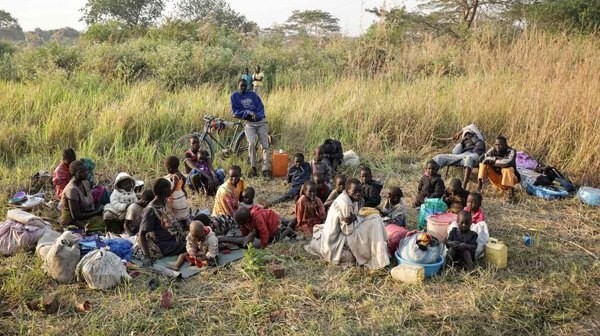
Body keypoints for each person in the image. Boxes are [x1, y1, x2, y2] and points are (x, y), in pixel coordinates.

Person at [306, 178, 389, 270]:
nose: (358, 194)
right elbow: (348, 230)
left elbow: (355, 217)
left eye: (360, 191)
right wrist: (358, 219)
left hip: (345, 231)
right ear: (348, 191)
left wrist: (356, 218)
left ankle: (382, 248)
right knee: (374, 224)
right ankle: (378, 259)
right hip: (338, 240)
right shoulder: (346, 204)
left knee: (376, 218)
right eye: (355, 191)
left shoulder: (352, 199)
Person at [138, 178, 187, 267]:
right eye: (169, 188)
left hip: (174, 238)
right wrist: (147, 256)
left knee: (193, 238)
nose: (171, 189)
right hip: (163, 245)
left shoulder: (164, 202)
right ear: (164, 191)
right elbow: (141, 234)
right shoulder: (151, 210)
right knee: (190, 245)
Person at [231, 78, 271, 178]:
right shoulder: (234, 97)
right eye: (241, 86)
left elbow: (261, 107)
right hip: (249, 123)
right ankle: (253, 168)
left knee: (265, 146)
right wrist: (247, 113)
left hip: (261, 122)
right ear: (238, 86)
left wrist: (257, 115)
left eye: (245, 86)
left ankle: (265, 169)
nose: (243, 88)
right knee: (251, 143)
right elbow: (235, 112)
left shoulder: (253, 95)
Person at [433, 124, 486, 189]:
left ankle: (464, 185)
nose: (468, 136)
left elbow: (472, 126)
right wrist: (462, 142)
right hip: (462, 156)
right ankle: (432, 179)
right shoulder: (463, 143)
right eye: (466, 135)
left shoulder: (479, 140)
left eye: (469, 134)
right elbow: (455, 153)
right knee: (440, 157)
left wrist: (459, 133)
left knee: (469, 158)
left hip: (475, 155)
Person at [60, 159, 104, 231]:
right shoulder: (72, 190)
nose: (85, 173)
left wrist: (97, 210)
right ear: (73, 174)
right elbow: (76, 216)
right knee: (105, 222)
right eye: (81, 172)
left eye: (85, 170)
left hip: (85, 215)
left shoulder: (85, 182)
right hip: (72, 222)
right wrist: (96, 212)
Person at [477, 136, 521, 202]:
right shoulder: (492, 150)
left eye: (500, 145)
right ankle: (479, 189)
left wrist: (492, 160)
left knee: (507, 169)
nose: (498, 147)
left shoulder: (511, 151)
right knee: (483, 164)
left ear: (505, 145)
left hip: (510, 181)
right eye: (496, 145)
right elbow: (482, 159)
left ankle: (511, 195)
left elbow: (507, 163)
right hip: (497, 180)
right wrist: (497, 160)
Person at [164, 156, 190, 223]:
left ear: (170, 169)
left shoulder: (175, 176)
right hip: (180, 193)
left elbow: (174, 186)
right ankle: (183, 220)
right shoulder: (179, 172)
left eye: (167, 169)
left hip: (176, 195)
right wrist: (183, 188)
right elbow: (184, 178)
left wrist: (169, 193)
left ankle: (177, 221)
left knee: (174, 209)